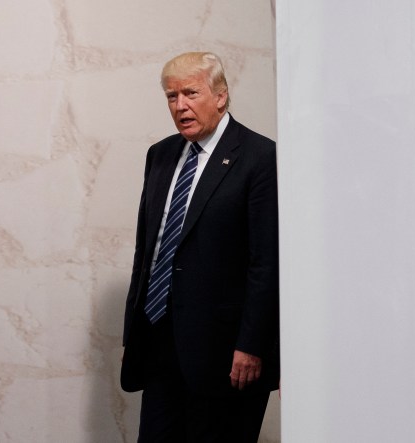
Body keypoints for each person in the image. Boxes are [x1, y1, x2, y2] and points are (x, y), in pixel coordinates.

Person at [120, 52, 279, 442]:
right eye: (172, 97)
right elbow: (148, 252)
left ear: (221, 96)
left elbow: (267, 262)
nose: (180, 106)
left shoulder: (261, 157)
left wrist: (251, 345)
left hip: (226, 354)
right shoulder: (160, 155)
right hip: (160, 343)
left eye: (190, 93)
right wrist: (133, 334)